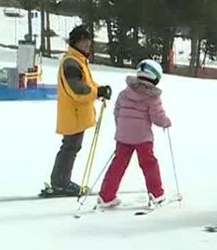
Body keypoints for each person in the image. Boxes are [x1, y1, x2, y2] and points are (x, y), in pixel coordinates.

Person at [42, 25, 112, 197]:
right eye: (84, 42)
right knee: (70, 147)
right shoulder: (71, 62)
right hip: (73, 113)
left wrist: (100, 89)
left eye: (89, 42)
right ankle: (60, 182)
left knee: (72, 147)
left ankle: (61, 181)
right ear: (76, 43)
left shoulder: (78, 60)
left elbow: (88, 85)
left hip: (77, 113)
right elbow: (78, 89)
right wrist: (97, 92)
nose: (88, 45)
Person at [97, 59, 172, 208]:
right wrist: (166, 122)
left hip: (123, 136)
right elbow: (157, 116)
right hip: (143, 137)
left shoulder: (124, 93)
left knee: (118, 164)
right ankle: (156, 193)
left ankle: (106, 195)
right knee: (149, 163)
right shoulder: (152, 96)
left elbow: (117, 111)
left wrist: (121, 128)